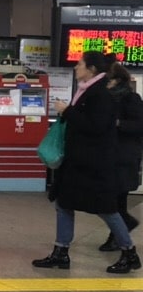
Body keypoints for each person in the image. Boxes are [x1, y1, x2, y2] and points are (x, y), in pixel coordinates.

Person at [33, 51, 139, 274]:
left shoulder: (99, 95)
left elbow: (96, 127)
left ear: (91, 69)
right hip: (78, 162)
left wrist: (68, 111)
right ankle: (61, 252)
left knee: (107, 209)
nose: (75, 68)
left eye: (79, 64)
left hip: (94, 165)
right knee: (64, 204)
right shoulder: (86, 91)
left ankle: (129, 253)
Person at [104, 62, 143, 250]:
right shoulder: (108, 99)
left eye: (108, 80)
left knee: (117, 199)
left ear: (117, 80)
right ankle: (119, 233)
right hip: (113, 155)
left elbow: (139, 125)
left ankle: (119, 233)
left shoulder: (131, 99)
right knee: (114, 198)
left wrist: (119, 123)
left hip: (125, 156)